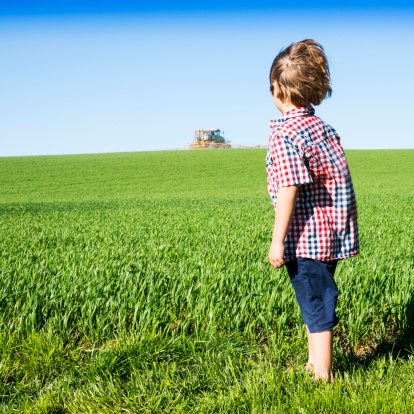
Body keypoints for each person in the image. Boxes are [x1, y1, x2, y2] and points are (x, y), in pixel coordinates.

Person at [266, 39, 359, 383]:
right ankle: (312, 363)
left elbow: (289, 187)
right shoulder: (323, 128)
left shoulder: (285, 133)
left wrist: (278, 241)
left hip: (306, 239)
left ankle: (323, 375)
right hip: (330, 235)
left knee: (316, 302)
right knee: (314, 299)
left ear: (277, 89)